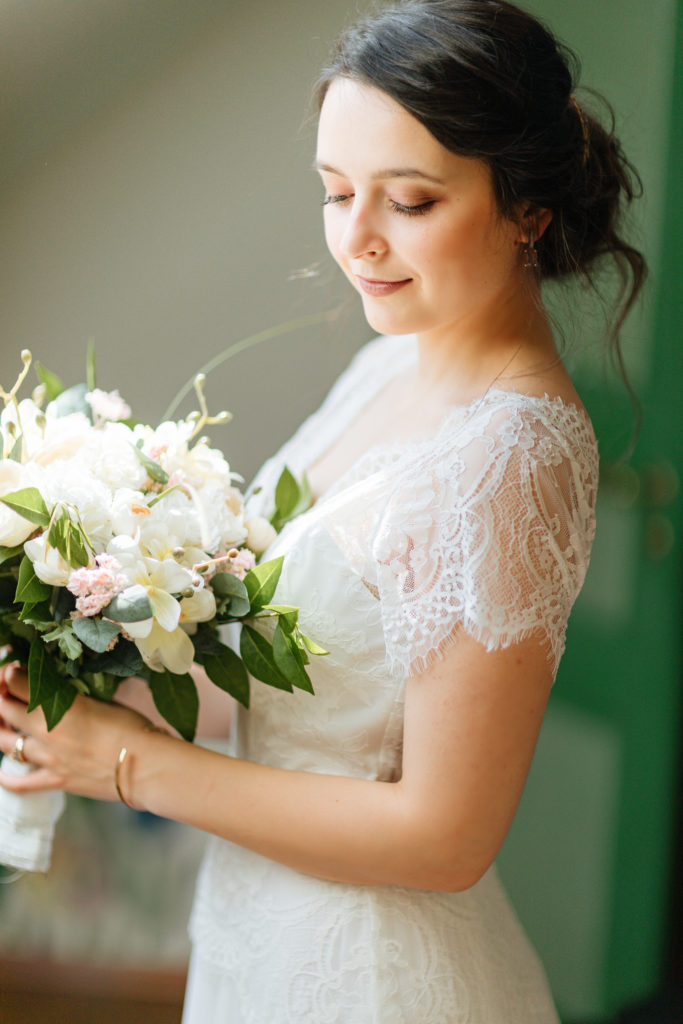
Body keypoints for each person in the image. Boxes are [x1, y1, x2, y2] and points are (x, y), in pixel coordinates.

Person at [0, 1, 646, 1020]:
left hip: (374, 974)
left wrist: (129, 767)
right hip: (261, 930)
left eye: (411, 202)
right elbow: (273, 673)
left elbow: (446, 837)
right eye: (335, 192)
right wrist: (86, 693)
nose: (357, 241)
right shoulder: (384, 362)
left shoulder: (510, 451)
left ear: (526, 205)